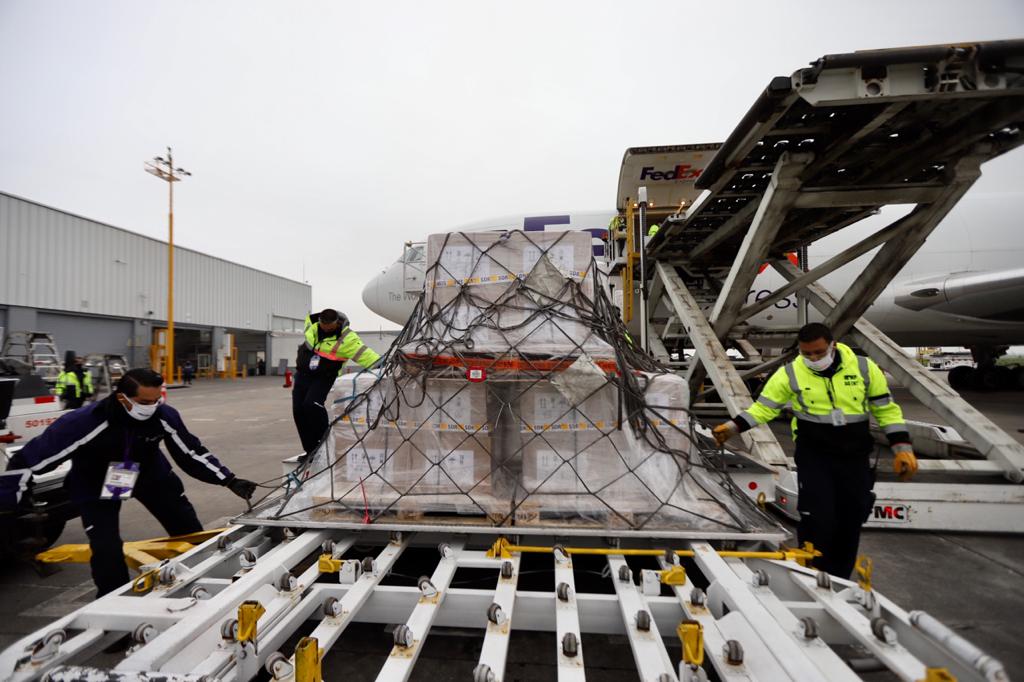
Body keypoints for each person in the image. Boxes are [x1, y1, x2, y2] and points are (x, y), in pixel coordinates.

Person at [0, 368, 257, 596]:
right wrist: (10, 501)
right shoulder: (84, 422)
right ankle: (112, 605)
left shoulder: (163, 416)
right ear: (122, 397)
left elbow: (191, 452)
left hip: (149, 475)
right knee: (106, 548)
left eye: (157, 400)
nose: (152, 407)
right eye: (145, 402)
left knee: (189, 531)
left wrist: (229, 480)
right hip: (96, 481)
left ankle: (206, 582)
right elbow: (29, 459)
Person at [712, 323, 918, 578]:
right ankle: (811, 570)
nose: (813, 359)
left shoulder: (864, 368)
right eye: (806, 353)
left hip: (854, 456)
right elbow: (764, 408)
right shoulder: (791, 373)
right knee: (816, 515)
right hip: (814, 454)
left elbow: (886, 410)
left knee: (851, 517)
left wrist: (902, 448)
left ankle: (840, 576)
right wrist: (732, 427)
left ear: (833, 345)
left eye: (819, 353)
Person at [293, 309, 380, 459]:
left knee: (312, 405)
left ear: (337, 323)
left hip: (324, 377)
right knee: (299, 411)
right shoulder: (311, 326)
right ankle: (310, 450)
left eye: (329, 326)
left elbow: (367, 356)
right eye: (323, 324)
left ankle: (324, 444)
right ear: (319, 321)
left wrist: (385, 365)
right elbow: (310, 320)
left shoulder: (347, 339)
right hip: (303, 375)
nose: (325, 328)